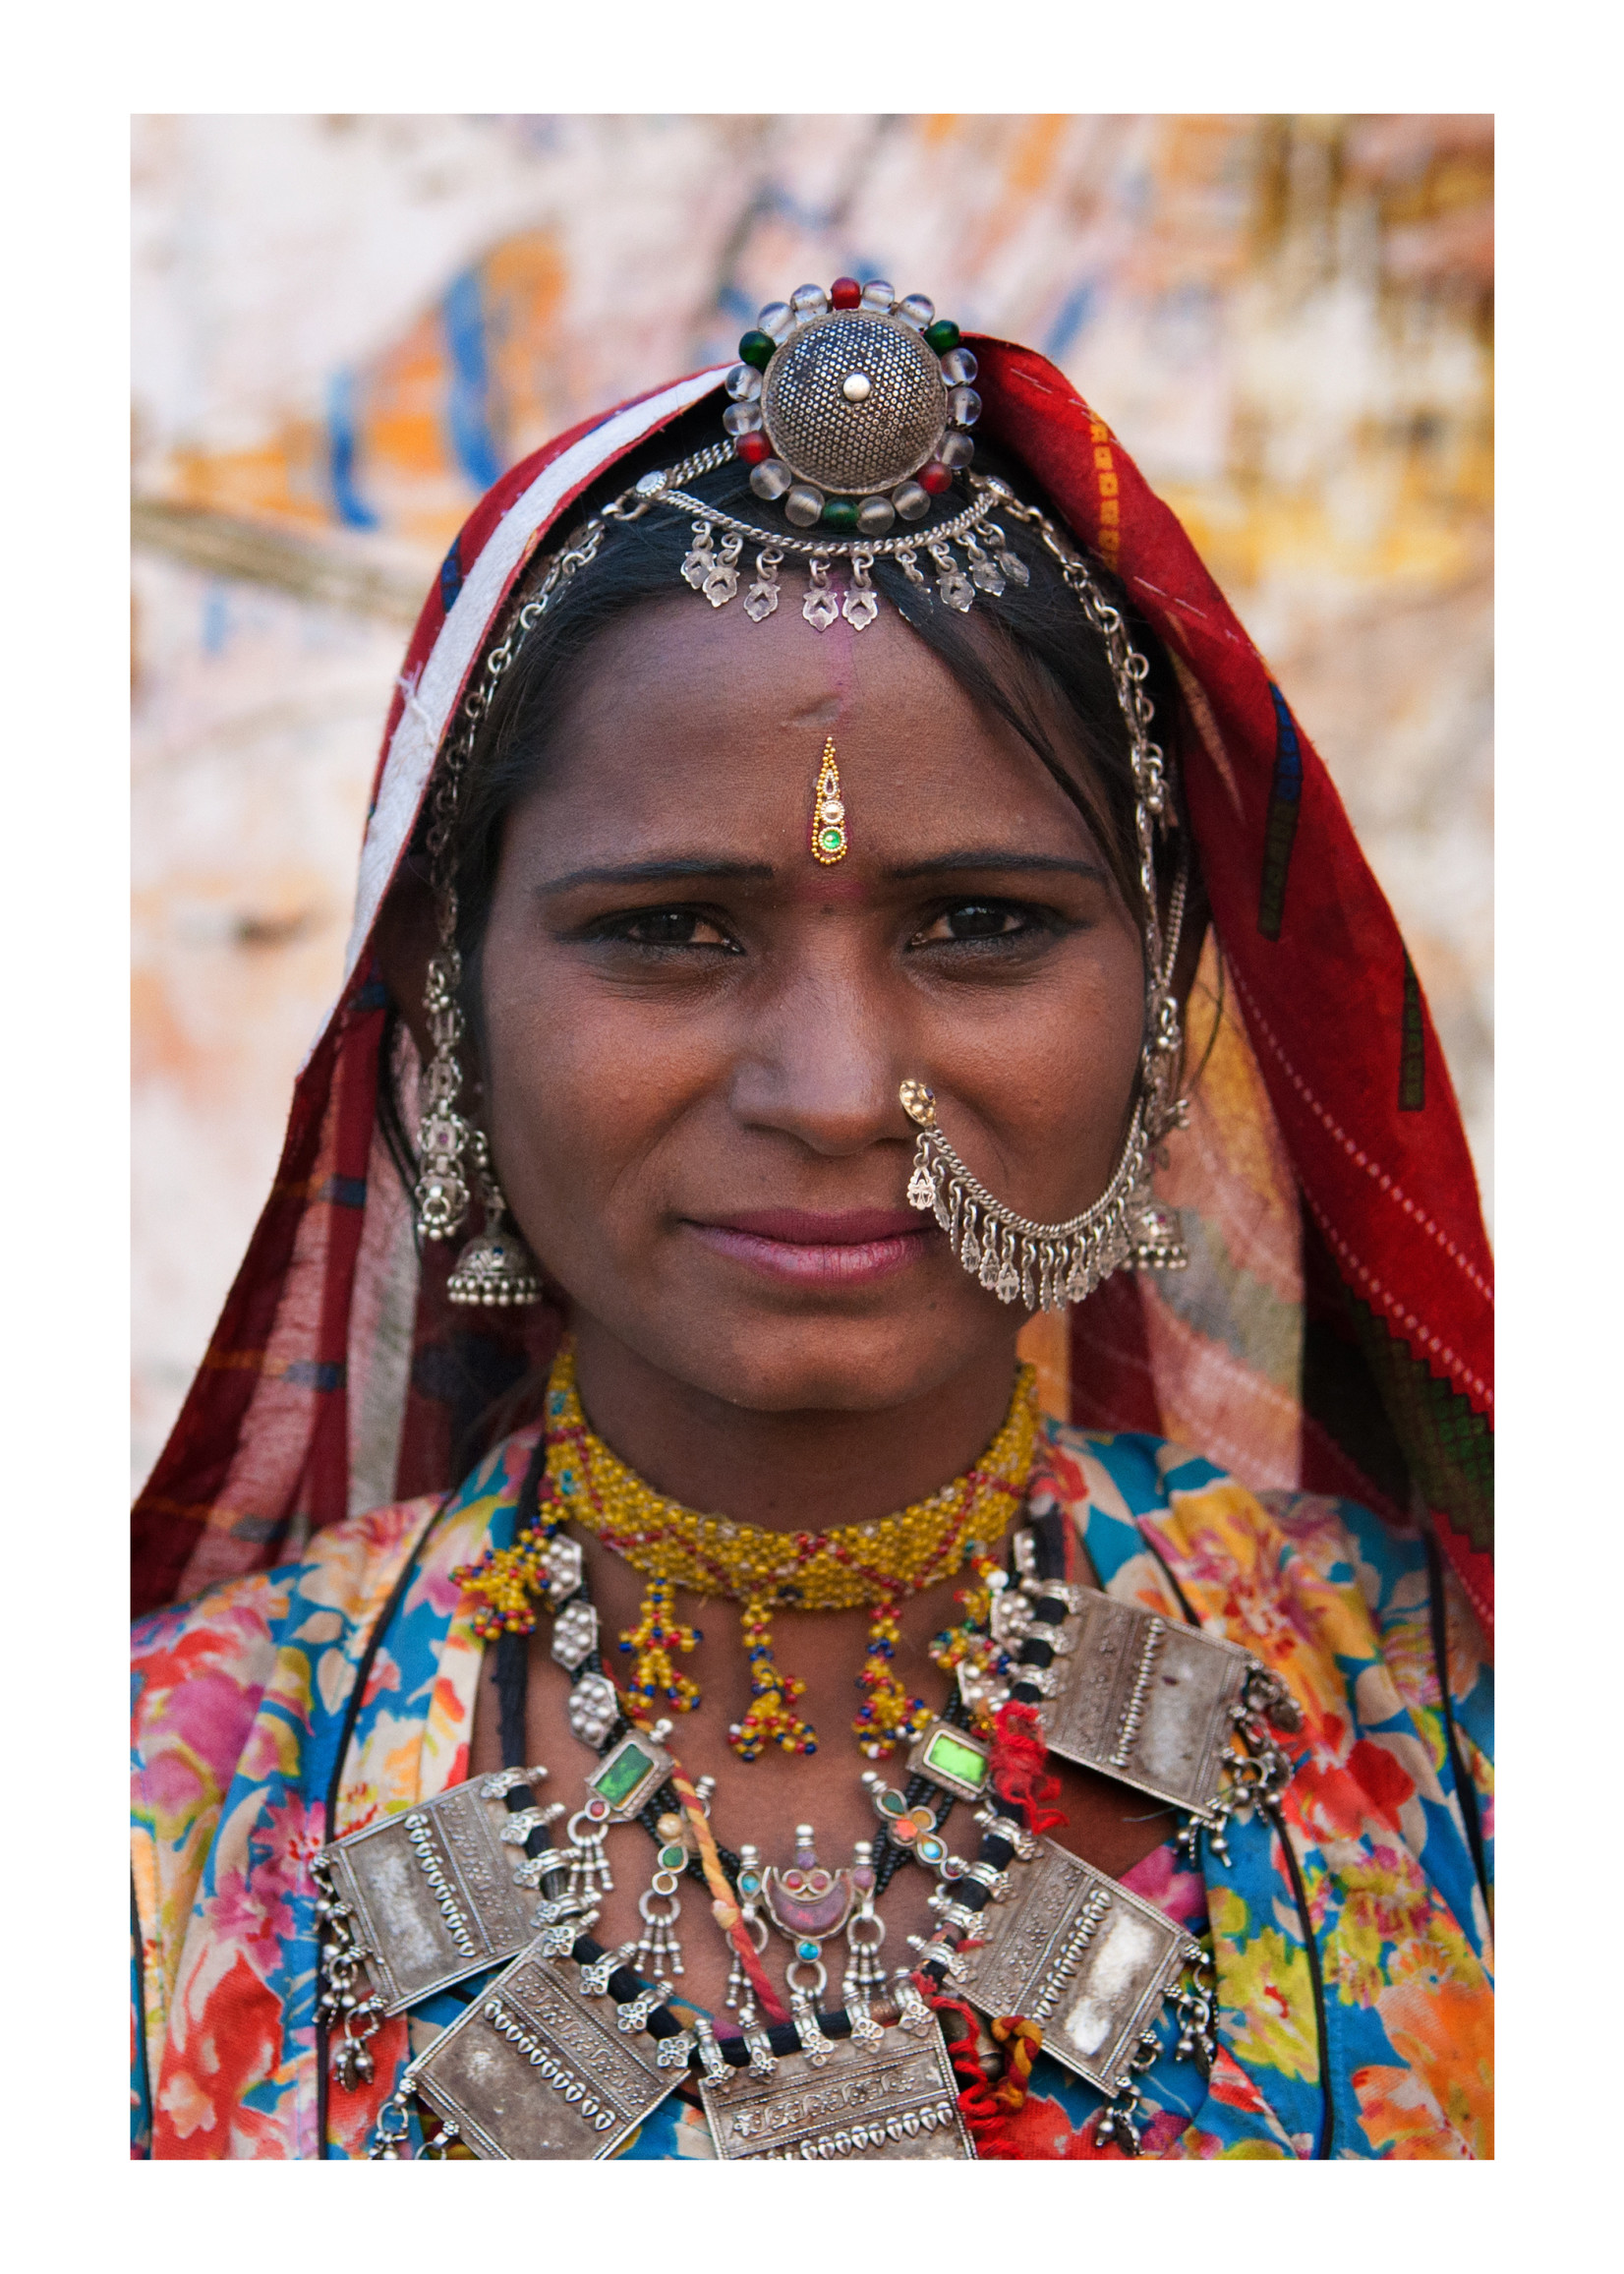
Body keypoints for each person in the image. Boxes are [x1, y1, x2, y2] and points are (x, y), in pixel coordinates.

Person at [131, 279, 1492, 2161]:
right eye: (672, 930)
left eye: (981, 925)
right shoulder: (155, 1803)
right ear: (448, 1002)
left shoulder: (1454, 1719)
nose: (838, 1088)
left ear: (1167, 1000)